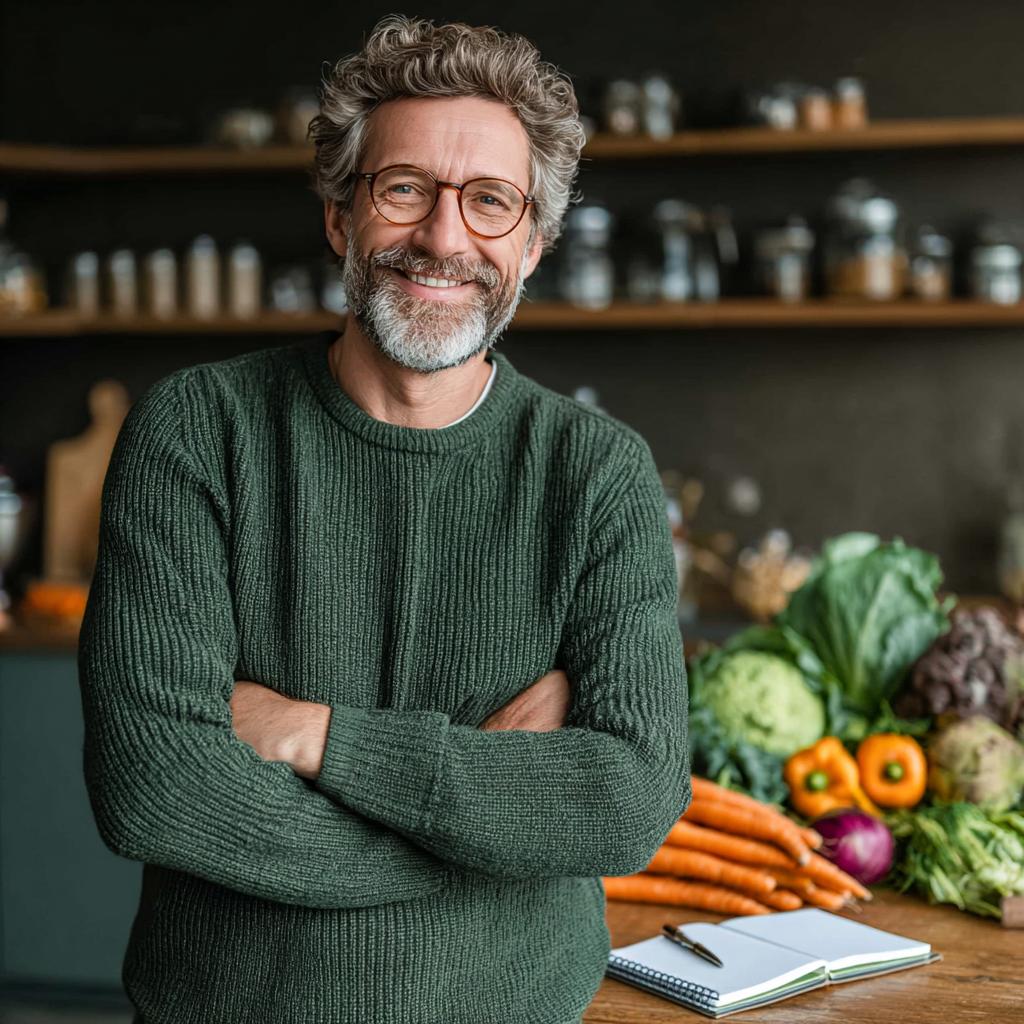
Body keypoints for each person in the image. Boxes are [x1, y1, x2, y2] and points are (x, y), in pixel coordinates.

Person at [79, 15, 689, 1024]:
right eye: (403, 188)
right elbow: (158, 785)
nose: (443, 239)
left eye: (490, 202)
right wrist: (489, 833)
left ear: (532, 244)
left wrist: (317, 736)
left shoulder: (596, 473)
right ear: (339, 216)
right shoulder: (197, 431)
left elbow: (625, 802)